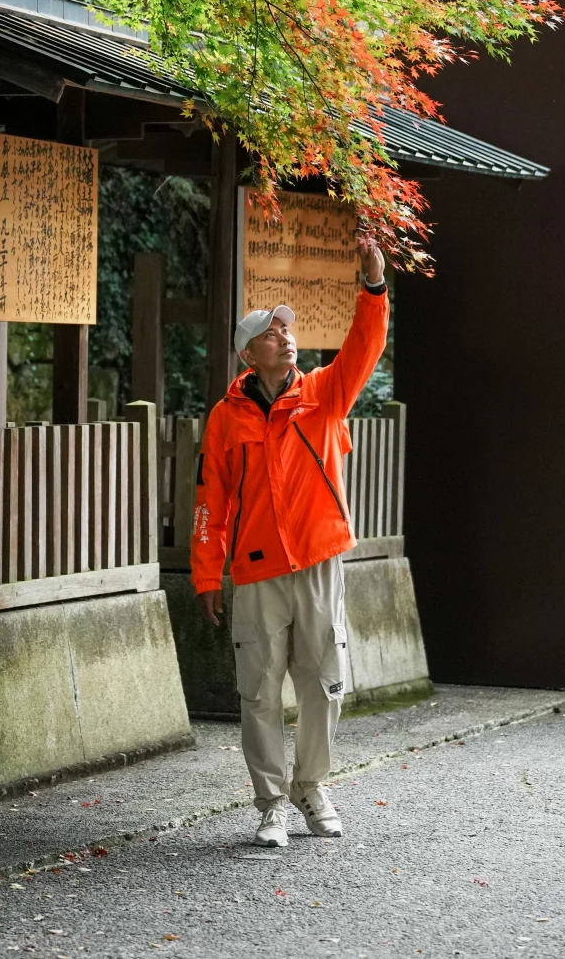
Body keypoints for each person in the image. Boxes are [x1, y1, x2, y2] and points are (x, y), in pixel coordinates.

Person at [192, 236, 388, 848]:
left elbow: (365, 345)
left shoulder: (325, 394)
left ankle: (313, 787)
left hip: (319, 559)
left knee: (323, 682)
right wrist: (205, 576)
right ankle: (271, 802)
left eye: (287, 330)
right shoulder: (227, 417)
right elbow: (209, 502)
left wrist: (374, 286)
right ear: (249, 353)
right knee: (258, 690)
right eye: (272, 332)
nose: (286, 336)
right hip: (254, 571)